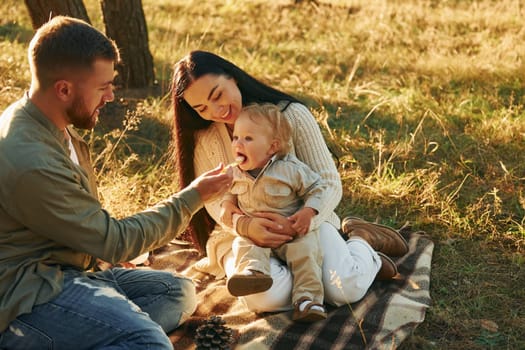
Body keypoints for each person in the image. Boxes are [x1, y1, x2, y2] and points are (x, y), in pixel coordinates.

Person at [0, 17, 233, 350]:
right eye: (102, 87)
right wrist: (192, 197)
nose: (111, 95)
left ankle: (81, 335)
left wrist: (95, 250)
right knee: (149, 341)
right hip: (26, 297)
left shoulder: (50, 120)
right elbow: (115, 242)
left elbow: (86, 228)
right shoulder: (32, 161)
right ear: (64, 89)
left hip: (69, 270)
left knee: (175, 292)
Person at [171, 50, 409, 315]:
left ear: (233, 78)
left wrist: (303, 217)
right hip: (243, 237)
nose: (217, 110)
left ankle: (362, 241)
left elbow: (328, 181)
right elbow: (214, 199)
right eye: (202, 108)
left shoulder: (292, 116)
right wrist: (245, 225)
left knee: (344, 289)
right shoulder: (206, 139)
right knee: (263, 299)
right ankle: (311, 285)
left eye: (217, 95)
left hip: (304, 226)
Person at [222, 103, 328, 322]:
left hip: (292, 232)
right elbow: (229, 193)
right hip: (257, 235)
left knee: (307, 255)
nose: (238, 144)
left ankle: (307, 300)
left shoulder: (291, 169)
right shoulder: (235, 172)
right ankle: (254, 273)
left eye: (248, 139)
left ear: (272, 147)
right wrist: (227, 205)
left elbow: (317, 188)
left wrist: (309, 211)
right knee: (242, 243)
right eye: (235, 138)